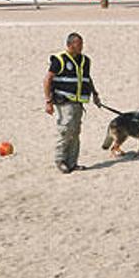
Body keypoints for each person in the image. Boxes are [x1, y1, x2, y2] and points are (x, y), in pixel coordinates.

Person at [43, 32, 101, 174]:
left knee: (75, 132)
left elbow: (87, 78)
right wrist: (48, 101)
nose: (81, 47)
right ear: (69, 45)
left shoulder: (85, 60)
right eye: (78, 44)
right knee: (65, 130)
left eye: (82, 44)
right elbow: (47, 80)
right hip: (64, 101)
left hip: (78, 102)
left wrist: (95, 94)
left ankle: (72, 163)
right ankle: (60, 160)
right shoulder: (59, 59)